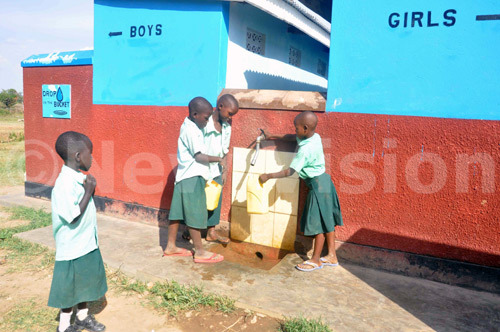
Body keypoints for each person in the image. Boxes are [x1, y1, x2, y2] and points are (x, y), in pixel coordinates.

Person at [259, 111, 343, 272]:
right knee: (328, 220)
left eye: (296, 128)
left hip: (317, 187)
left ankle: (316, 260)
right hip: (326, 182)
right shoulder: (314, 136)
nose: (294, 130)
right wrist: (272, 135)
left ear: (305, 128)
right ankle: (332, 255)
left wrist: (269, 175)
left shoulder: (305, 150)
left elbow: (291, 171)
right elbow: (292, 137)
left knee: (317, 224)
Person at [48, 131, 107, 332]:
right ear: (78, 156)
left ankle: (82, 317)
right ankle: (64, 326)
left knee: (85, 282)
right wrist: (89, 191)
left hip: (86, 242)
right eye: (90, 153)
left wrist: (89, 189)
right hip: (72, 246)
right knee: (69, 288)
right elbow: (72, 215)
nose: (92, 157)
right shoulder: (63, 184)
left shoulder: (78, 178)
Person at [164, 97, 224, 263]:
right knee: (195, 214)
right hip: (192, 176)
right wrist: (218, 159)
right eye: (206, 118)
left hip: (184, 176)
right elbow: (199, 156)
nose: (208, 121)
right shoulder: (191, 130)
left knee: (177, 213)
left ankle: (170, 246)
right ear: (195, 114)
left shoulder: (192, 125)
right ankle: (199, 251)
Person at [182, 94, 239, 244]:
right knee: (199, 198)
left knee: (215, 197)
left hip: (217, 167)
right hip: (202, 166)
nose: (230, 117)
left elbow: (225, 149)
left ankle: (211, 231)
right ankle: (190, 228)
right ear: (220, 106)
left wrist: (225, 169)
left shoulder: (227, 126)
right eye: (229, 113)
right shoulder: (203, 123)